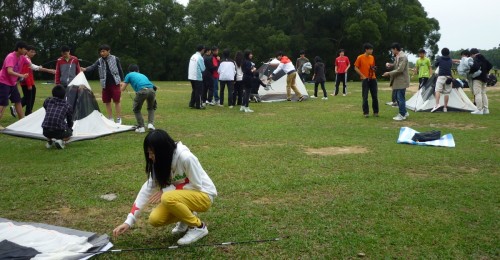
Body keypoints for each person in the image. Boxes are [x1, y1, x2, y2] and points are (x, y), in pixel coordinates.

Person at [112, 129, 217, 245]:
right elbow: (146, 190)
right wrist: (129, 221)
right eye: (148, 153)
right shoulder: (158, 163)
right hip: (182, 196)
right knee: (155, 219)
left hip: (204, 195)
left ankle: (199, 227)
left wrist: (167, 190)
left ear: (163, 151)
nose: (150, 157)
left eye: (152, 153)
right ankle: (186, 219)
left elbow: (196, 185)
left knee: (167, 197)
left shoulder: (186, 158)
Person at [83, 44, 124, 124]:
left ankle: (119, 118)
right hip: (105, 84)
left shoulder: (115, 59)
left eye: (103, 51)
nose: (102, 53)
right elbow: (93, 67)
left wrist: (122, 81)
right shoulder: (99, 60)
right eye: (100, 52)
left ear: (108, 51)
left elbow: (120, 69)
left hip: (115, 83)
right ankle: (110, 118)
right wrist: (85, 69)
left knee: (117, 101)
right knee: (107, 101)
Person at [17, 45, 56, 116]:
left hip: (29, 82)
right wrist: (29, 84)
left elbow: (34, 67)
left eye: (34, 52)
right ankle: (27, 113)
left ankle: (27, 112)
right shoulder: (25, 59)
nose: (33, 54)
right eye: (31, 52)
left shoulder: (27, 59)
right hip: (27, 83)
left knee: (29, 97)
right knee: (28, 98)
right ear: (27, 51)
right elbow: (27, 71)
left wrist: (48, 70)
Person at [0, 41, 31, 123]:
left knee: (18, 101)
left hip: (12, 83)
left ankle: (22, 121)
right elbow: (9, 71)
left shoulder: (22, 57)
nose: (26, 51)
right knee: (3, 103)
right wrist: (21, 75)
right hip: (3, 82)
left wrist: (47, 70)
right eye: (24, 49)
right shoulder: (11, 57)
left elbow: (31, 65)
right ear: (19, 48)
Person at [120, 64, 156, 133]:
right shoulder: (142, 75)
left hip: (142, 91)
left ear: (129, 71)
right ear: (138, 70)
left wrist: (120, 85)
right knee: (151, 108)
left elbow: (123, 89)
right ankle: (150, 124)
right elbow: (150, 85)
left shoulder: (129, 74)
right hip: (152, 90)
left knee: (136, 109)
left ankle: (141, 127)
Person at [382, 43, 410, 121]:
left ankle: (402, 114)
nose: (391, 51)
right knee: (399, 98)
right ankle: (404, 112)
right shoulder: (398, 56)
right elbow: (396, 65)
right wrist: (390, 65)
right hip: (398, 80)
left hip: (402, 81)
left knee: (400, 98)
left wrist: (388, 73)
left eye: (392, 49)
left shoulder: (403, 57)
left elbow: (400, 69)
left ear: (395, 49)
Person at [42, 85, 73, 149]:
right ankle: (60, 141)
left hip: (45, 131)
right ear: (64, 95)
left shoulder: (47, 101)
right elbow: (69, 120)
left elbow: (45, 106)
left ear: (52, 94)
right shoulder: (67, 105)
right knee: (70, 133)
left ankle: (49, 141)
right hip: (59, 132)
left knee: (50, 127)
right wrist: (70, 128)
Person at [354, 43, 379, 117]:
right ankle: (366, 112)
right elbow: (356, 67)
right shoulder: (360, 57)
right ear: (366, 50)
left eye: (372, 49)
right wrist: (362, 76)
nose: (372, 50)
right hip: (365, 79)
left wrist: (374, 68)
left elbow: (373, 66)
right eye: (370, 49)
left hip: (373, 78)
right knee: (365, 96)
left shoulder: (372, 57)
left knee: (375, 96)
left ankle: (376, 112)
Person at [469, 48, 493, 115]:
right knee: (483, 93)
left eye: (471, 55)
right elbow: (490, 65)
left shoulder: (476, 59)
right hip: (484, 78)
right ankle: (486, 109)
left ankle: (479, 109)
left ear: (472, 54)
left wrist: (470, 72)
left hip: (477, 78)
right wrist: (485, 71)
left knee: (477, 93)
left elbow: (475, 67)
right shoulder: (483, 58)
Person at [431, 48, 453, 113]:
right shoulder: (450, 60)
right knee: (447, 93)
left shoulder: (439, 59)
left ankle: (437, 104)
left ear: (442, 53)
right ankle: (445, 108)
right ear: (448, 53)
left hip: (441, 76)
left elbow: (436, 65)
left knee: (437, 90)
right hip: (449, 77)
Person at [188, 45, 206, 110]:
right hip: (197, 77)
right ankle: (199, 105)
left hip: (191, 76)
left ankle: (191, 104)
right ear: (202, 50)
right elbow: (203, 68)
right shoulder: (200, 58)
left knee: (194, 90)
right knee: (199, 91)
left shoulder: (193, 56)